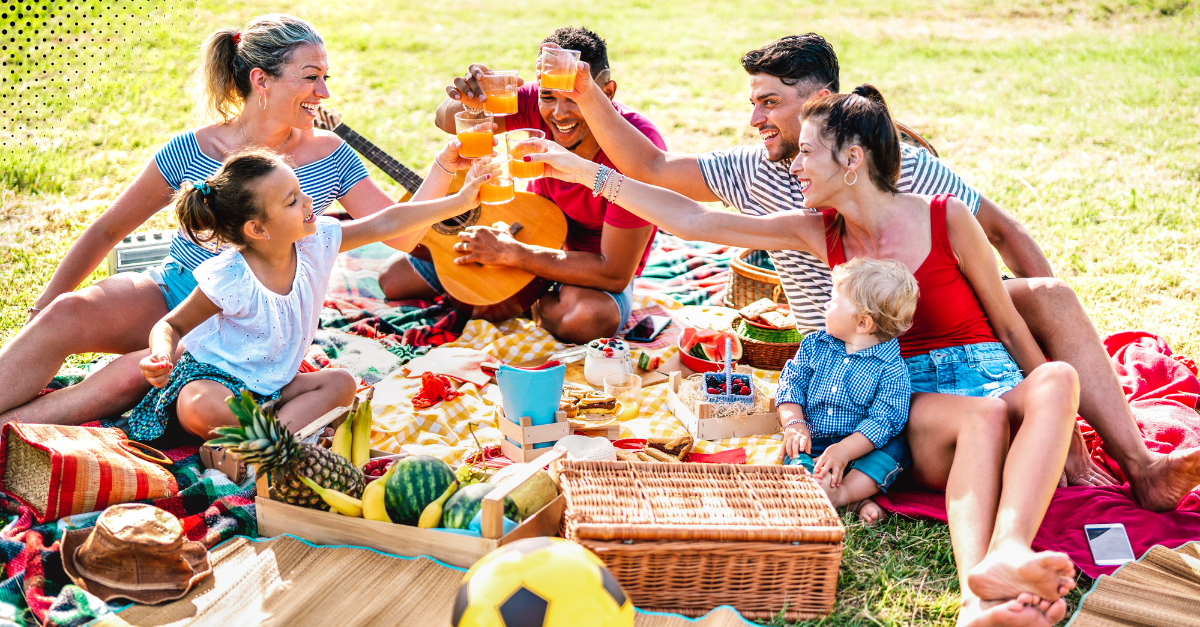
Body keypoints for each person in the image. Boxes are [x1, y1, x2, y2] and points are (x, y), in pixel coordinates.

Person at [536, 33, 1200, 512]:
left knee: (1049, 298)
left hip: (948, 326)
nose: (754, 119)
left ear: (825, 109)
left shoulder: (899, 169)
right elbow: (671, 197)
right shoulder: (771, 183)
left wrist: (1051, 377)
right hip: (864, 351)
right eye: (754, 104)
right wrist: (586, 135)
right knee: (991, 394)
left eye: (769, 102)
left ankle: (1138, 463)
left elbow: (1002, 236)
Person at [526, 85, 1081, 626]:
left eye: (808, 152)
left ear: (852, 160)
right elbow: (693, 222)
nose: (795, 166)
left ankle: (1006, 553)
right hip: (939, 417)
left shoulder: (946, 214)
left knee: (1057, 377)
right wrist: (587, 173)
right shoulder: (817, 230)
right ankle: (979, 593)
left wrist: (1060, 428)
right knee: (983, 415)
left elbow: (1008, 324)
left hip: (994, 381)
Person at [0, 15, 432, 427]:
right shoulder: (193, 148)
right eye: (310, 76)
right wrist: (41, 311)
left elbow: (403, 234)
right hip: (176, 292)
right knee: (66, 311)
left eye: (325, 78)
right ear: (260, 79)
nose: (324, 93)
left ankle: (7, 432)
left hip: (250, 331)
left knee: (132, 374)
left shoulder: (331, 155)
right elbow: (108, 230)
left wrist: (448, 166)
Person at [130, 145, 495, 439]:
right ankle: (279, 439)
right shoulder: (230, 277)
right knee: (201, 406)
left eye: (300, 190)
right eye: (291, 201)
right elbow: (171, 327)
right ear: (257, 229)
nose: (308, 202)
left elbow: (387, 222)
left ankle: (260, 447)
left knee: (341, 383)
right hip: (216, 382)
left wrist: (460, 202)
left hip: (274, 389)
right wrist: (161, 356)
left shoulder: (316, 242)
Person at [376, 27, 663, 345]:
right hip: (528, 227)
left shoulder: (636, 149)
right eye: (549, 97)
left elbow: (614, 272)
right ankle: (504, 295)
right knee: (393, 281)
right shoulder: (531, 102)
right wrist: (470, 101)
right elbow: (445, 120)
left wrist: (513, 254)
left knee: (587, 318)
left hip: (587, 267)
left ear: (606, 92)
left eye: (575, 98)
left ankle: (513, 302)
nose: (559, 113)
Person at [777, 257, 919, 525]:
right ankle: (820, 485)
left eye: (834, 300)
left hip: (862, 447)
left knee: (896, 449)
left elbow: (884, 420)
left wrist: (844, 451)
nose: (825, 304)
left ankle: (843, 493)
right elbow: (791, 383)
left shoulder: (891, 368)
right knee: (797, 450)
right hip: (815, 438)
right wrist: (794, 423)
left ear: (863, 323)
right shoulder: (814, 345)